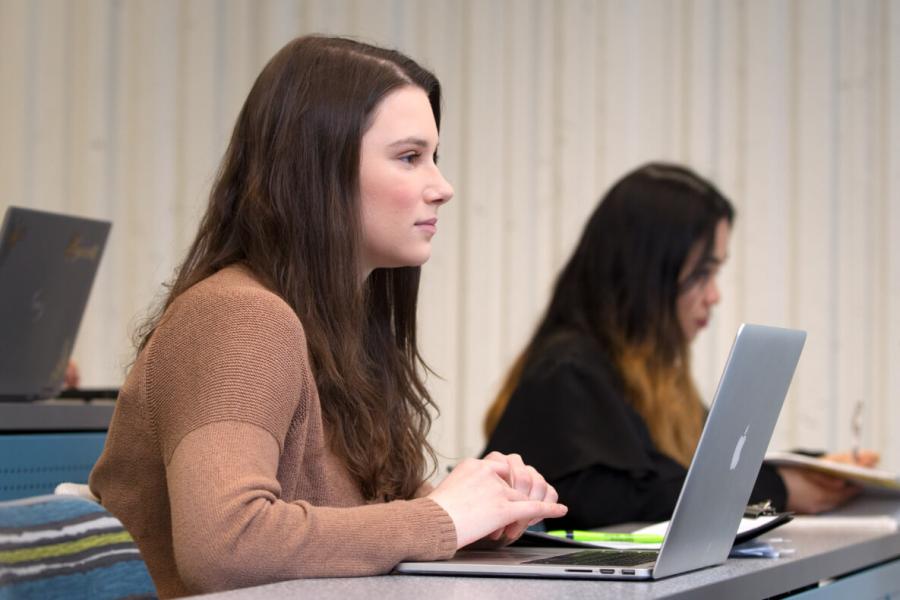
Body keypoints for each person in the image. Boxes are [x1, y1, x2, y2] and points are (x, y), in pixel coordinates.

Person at [89, 35, 565, 598]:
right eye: (410, 157)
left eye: (434, 158)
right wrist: (442, 518)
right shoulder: (238, 315)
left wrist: (478, 515)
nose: (443, 187)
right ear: (318, 171)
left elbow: (351, 530)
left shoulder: (339, 331)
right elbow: (225, 546)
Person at [482, 162, 876, 530]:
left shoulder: (650, 377)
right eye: (703, 272)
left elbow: (690, 474)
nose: (715, 295)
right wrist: (781, 488)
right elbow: (620, 502)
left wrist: (813, 468)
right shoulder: (568, 371)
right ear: (648, 271)